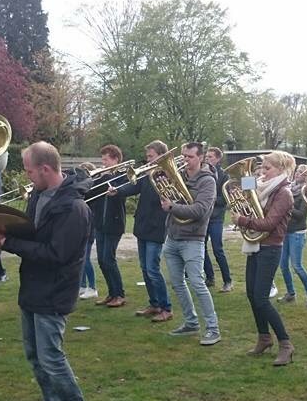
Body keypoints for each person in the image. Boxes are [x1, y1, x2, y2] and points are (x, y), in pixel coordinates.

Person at [0, 141, 92, 401]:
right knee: (35, 356)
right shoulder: (38, 196)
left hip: (54, 291)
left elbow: (55, 254)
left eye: (30, 170)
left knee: (52, 358)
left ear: (45, 169)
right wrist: (0, 229)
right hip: (32, 287)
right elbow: (31, 232)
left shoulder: (74, 208)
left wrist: (9, 245)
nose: (28, 176)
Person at [234, 151, 297, 366]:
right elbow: (245, 199)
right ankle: (264, 337)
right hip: (255, 245)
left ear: (280, 169)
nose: (262, 171)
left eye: (267, 167)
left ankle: (286, 344)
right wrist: (241, 194)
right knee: (252, 295)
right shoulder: (261, 186)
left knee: (261, 298)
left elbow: (269, 223)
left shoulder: (284, 193)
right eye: (261, 166)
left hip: (270, 248)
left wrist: (243, 220)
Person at [160, 142, 221, 345]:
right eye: (184, 156)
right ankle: (191, 322)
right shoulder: (179, 177)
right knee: (177, 283)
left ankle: (213, 328)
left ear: (201, 157)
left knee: (197, 283)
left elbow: (200, 210)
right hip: (173, 237)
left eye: (190, 157)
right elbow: (169, 201)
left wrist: (172, 207)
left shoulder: (208, 181)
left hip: (193, 239)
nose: (185, 160)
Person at [109, 140, 173, 322]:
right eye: (147, 157)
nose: (147, 160)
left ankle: (166, 307)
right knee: (145, 268)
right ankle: (154, 304)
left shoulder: (167, 174)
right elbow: (134, 187)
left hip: (157, 226)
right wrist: (118, 191)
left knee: (153, 269)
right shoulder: (147, 173)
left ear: (161, 155)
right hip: (143, 225)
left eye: (151, 156)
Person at [87, 145, 128, 308]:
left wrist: (106, 177)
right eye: (102, 159)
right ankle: (111, 293)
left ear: (115, 159)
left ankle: (119, 294)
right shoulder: (102, 176)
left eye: (106, 159)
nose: (103, 163)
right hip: (100, 223)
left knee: (108, 259)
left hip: (114, 223)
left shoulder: (123, 175)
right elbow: (90, 194)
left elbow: (123, 189)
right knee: (102, 261)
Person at [278, 163, 307, 308]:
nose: (297, 173)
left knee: (297, 266)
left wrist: (287, 206)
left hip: (297, 233)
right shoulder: (289, 189)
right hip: (285, 231)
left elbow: (301, 215)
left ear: (306, 176)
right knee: (283, 265)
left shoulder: (306, 192)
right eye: (297, 171)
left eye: (301, 172)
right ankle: (291, 293)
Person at [202, 147, 233, 292]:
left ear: (218, 159)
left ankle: (228, 281)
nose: (208, 159)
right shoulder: (202, 172)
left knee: (217, 249)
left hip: (216, 218)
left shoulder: (224, 175)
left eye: (211, 157)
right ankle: (210, 277)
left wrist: (210, 198)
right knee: (201, 248)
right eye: (206, 157)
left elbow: (225, 199)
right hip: (203, 217)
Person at [77, 162, 99, 300]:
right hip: (82, 227)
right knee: (81, 259)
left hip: (90, 228)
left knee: (86, 259)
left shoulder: (93, 188)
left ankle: (93, 287)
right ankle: (83, 285)